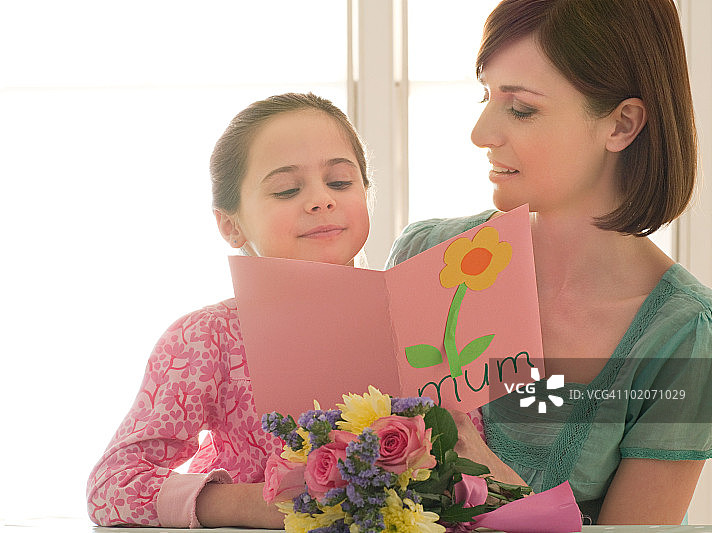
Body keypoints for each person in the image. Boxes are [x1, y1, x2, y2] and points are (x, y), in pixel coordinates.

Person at [386, 0, 711, 525]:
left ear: (622, 125)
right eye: (486, 96)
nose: (481, 133)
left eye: (520, 108)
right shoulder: (426, 256)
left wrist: (489, 481)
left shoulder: (681, 334)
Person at [86, 92, 372, 528]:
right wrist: (256, 506)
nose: (321, 200)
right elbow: (113, 488)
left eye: (340, 182)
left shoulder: (417, 315)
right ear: (230, 223)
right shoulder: (208, 338)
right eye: (287, 189)